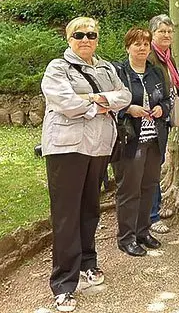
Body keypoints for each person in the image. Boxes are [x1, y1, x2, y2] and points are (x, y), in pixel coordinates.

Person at [41, 17, 131, 312]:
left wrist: (91, 99)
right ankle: (63, 283)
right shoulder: (58, 68)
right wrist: (100, 105)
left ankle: (87, 265)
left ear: (97, 38)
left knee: (90, 209)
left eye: (91, 34)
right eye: (78, 34)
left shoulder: (107, 68)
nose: (85, 39)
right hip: (67, 147)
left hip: (98, 147)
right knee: (67, 214)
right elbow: (65, 102)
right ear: (69, 38)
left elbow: (125, 95)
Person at [113, 28, 171, 256]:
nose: (142, 48)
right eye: (136, 44)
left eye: (145, 44)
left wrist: (161, 109)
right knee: (129, 190)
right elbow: (110, 103)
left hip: (154, 139)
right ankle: (126, 237)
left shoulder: (156, 72)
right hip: (130, 141)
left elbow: (168, 100)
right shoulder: (118, 73)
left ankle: (143, 231)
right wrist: (128, 109)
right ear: (128, 47)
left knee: (149, 187)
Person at [147, 14, 179, 235]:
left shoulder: (168, 57)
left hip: (164, 116)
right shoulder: (150, 57)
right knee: (150, 167)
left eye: (169, 31)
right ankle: (151, 216)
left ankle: (153, 209)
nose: (167, 35)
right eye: (162, 32)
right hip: (151, 118)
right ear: (152, 34)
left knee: (156, 164)